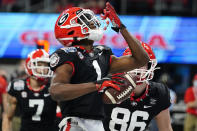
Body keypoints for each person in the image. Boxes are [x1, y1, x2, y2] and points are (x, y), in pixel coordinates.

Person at [49, 2, 149, 131]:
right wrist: (96, 85)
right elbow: (56, 91)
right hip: (74, 122)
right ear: (71, 29)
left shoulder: (102, 53)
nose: (92, 22)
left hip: (97, 123)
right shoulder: (67, 55)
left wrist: (121, 27)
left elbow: (141, 59)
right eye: (85, 20)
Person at [103, 42, 173, 131]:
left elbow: (166, 128)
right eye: (133, 63)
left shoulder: (159, 93)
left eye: (142, 64)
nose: (137, 68)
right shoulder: (109, 85)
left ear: (149, 66)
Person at [2, 49, 58, 131]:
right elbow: (7, 117)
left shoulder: (54, 87)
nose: (44, 68)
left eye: (46, 65)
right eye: (39, 64)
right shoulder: (18, 86)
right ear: (29, 65)